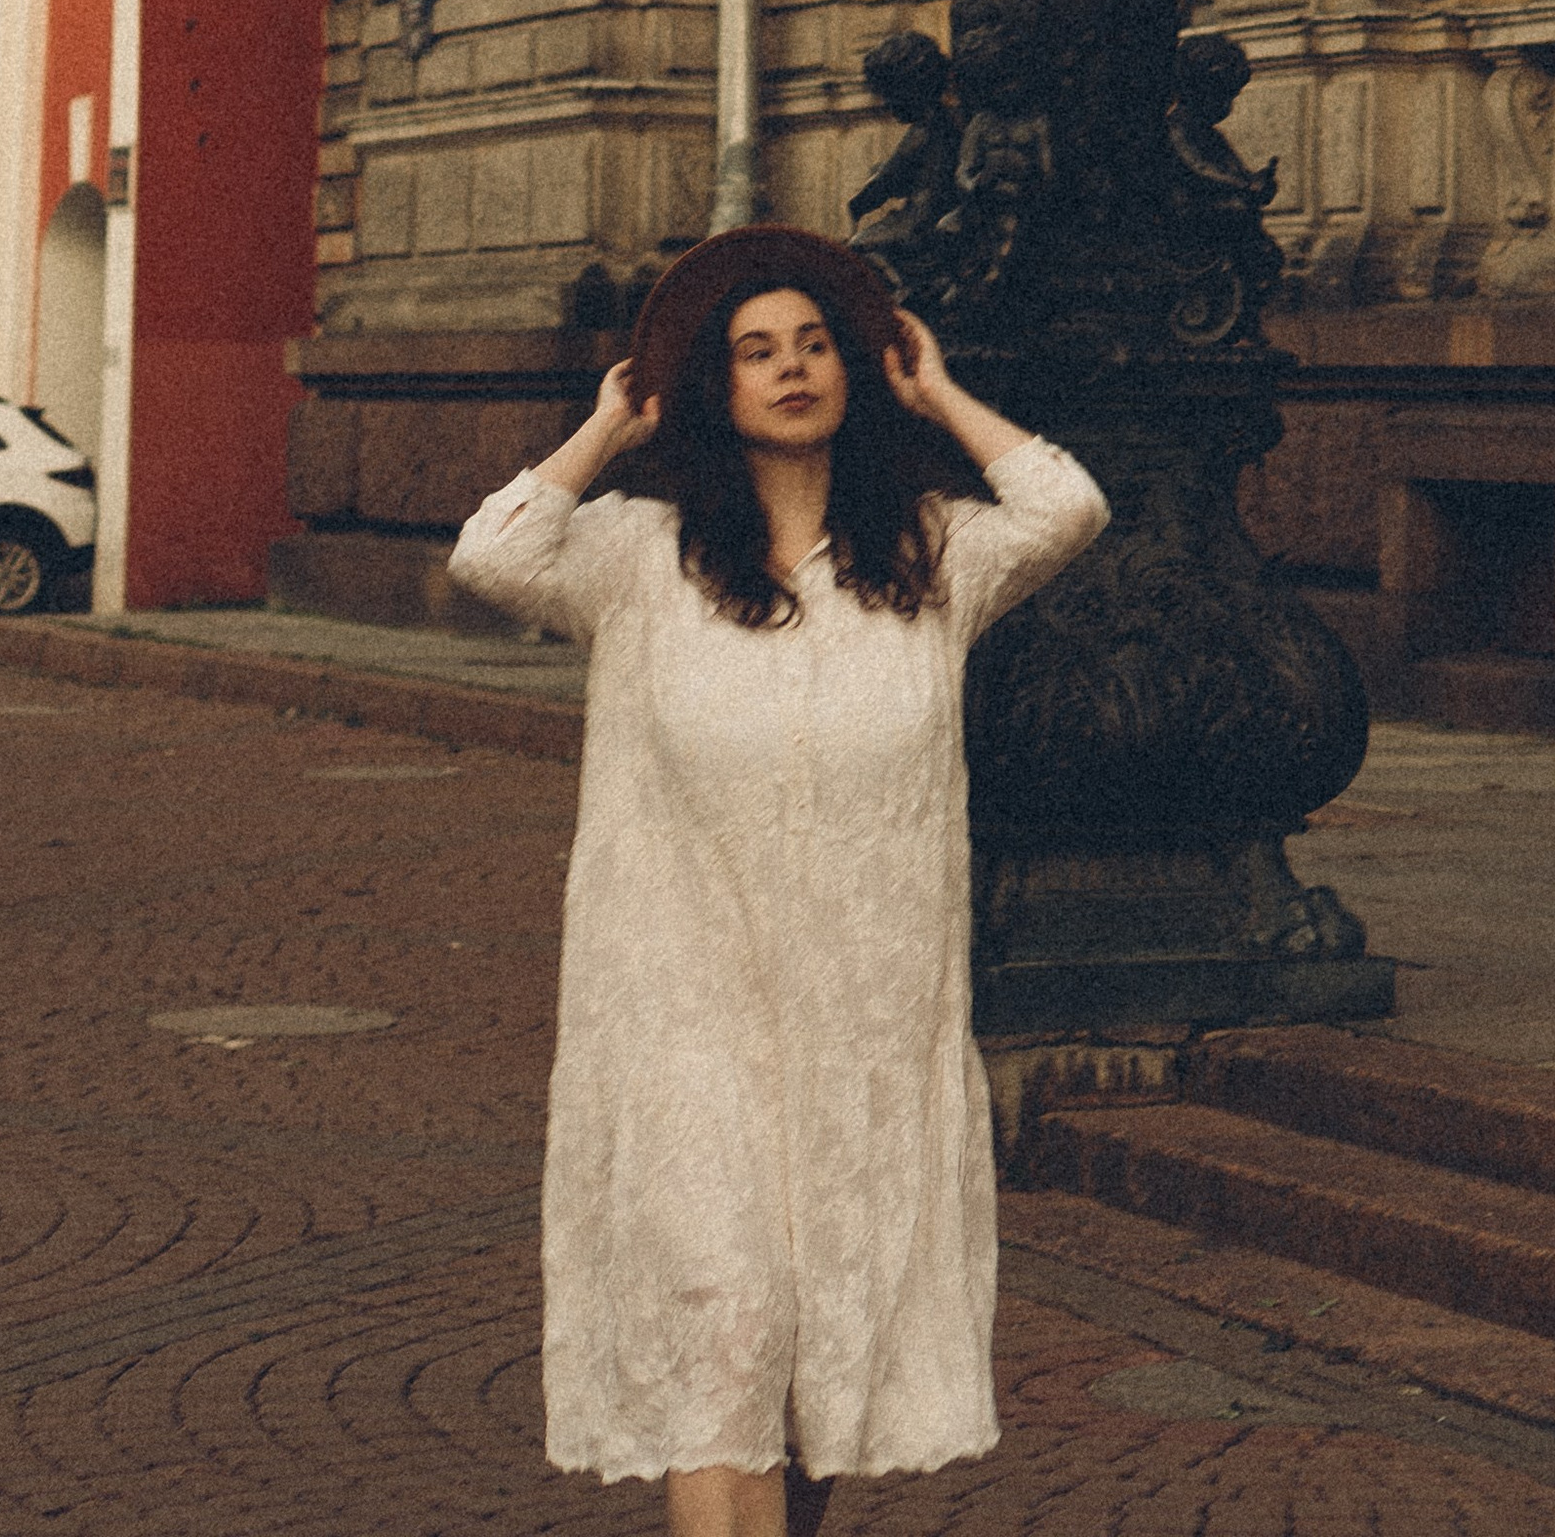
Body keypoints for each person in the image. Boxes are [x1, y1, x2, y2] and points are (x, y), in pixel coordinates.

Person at [449, 222, 1107, 1530]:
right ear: (714, 383)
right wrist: (608, 427)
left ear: (856, 367)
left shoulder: (935, 555)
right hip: (689, 1026)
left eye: (813, 344)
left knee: (819, 1359)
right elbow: (493, 556)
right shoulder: (637, 559)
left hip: (866, 1034)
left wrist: (940, 392)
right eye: (756, 351)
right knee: (726, 1328)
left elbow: (1066, 508)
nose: (792, 367)